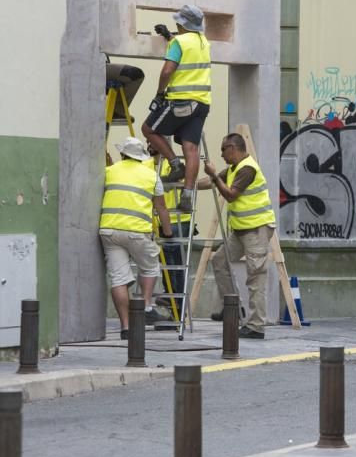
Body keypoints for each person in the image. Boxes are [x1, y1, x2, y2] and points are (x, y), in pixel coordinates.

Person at [198, 133, 276, 339]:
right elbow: (211, 183)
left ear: (233, 147)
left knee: (255, 276)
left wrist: (214, 176)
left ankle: (256, 326)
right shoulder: (234, 169)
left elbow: (231, 194)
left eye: (224, 149)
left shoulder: (247, 168)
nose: (222, 154)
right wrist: (189, 184)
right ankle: (230, 306)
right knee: (219, 260)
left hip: (256, 229)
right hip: (242, 230)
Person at [99, 137, 173, 340]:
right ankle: (146, 306)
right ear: (141, 157)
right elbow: (161, 208)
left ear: (122, 154)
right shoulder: (151, 176)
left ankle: (125, 327)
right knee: (149, 266)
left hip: (109, 231)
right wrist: (167, 232)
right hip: (137, 232)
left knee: (118, 279)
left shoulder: (109, 171)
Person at [142, 4, 211, 214]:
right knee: (191, 149)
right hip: (202, 104)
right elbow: (188, 47)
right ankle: (188, 195)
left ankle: (175, 164)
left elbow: (167, 71)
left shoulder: (179, 42)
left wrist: (160, 92)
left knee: (148, 129)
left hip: (179, 102)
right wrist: (170, 36)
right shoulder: (203, 42)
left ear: (183, 24)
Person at [143, 145, 191, 312]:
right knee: (165, 265)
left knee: (173, 264)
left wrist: (160, 180)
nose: (149, 145)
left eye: (152, 143)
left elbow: (179, 181)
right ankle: (173, 307)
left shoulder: (173, 164)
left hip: (177, 219)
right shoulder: (147, 164)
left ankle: (176, 306)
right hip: (158, 222)